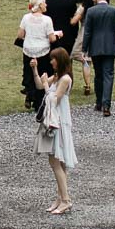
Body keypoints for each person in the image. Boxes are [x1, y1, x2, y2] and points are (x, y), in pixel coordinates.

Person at [34, 48, 78, 214]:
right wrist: (35, 70)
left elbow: (54, 99)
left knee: (55, 161)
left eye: (53, 59)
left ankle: (65, 200)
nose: (51, 62)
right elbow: (39, 85)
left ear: (60, 60)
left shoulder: (65, 79)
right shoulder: (58, 76)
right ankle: (60, 198)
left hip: (58, 122)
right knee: (59, 163)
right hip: (56, 120)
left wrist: (46, 84)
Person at [78, 0, 115, 115]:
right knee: (108, 75)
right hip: (110, 47)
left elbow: (87, 32)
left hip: (95, 47)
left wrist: (84, 49)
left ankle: (99, 102)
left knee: (98, 75)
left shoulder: (91, 12)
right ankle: (106, 105)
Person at [44, 0, 85, 89]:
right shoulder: (71, 1)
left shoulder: (48, 1)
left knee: (53, 59)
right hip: (68, 35)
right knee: (67, 60)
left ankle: (54, 80)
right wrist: (75, 34)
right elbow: (73, 19)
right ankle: (68, 82)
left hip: (53, 34)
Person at [18, 0, 57, 110]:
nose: (46, 4)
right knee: (42, 75)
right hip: (43, 51)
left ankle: (30, 95)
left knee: (30, 74)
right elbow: (52, 38)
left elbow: (20, 35)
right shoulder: (47, 20)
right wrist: (57, 35)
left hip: (28, 50)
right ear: (40, 5)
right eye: (44, 2)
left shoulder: (26, 18)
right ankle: (39, 102)